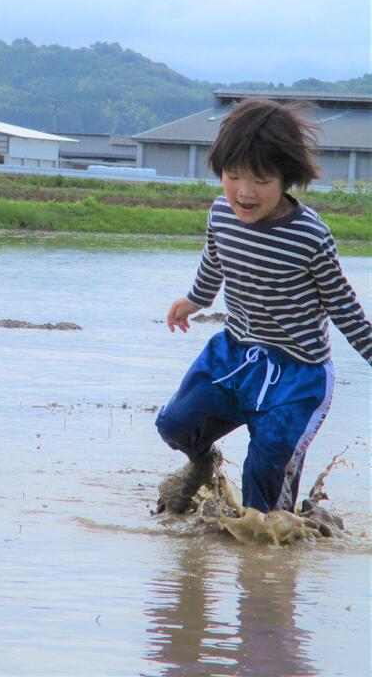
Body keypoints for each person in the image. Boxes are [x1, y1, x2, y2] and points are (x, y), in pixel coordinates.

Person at [155, 98, 372, 514]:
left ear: (287, 178)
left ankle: (277, 534)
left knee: (264, 481)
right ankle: (204, 466)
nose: (244, 191)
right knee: (175, 424)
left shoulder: (310, 237)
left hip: (298, 373)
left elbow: (345, 309)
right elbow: (215, 260)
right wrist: (195, 299)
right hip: (234, 354)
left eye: (260, 180)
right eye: (233, 175)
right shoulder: (221, 214)